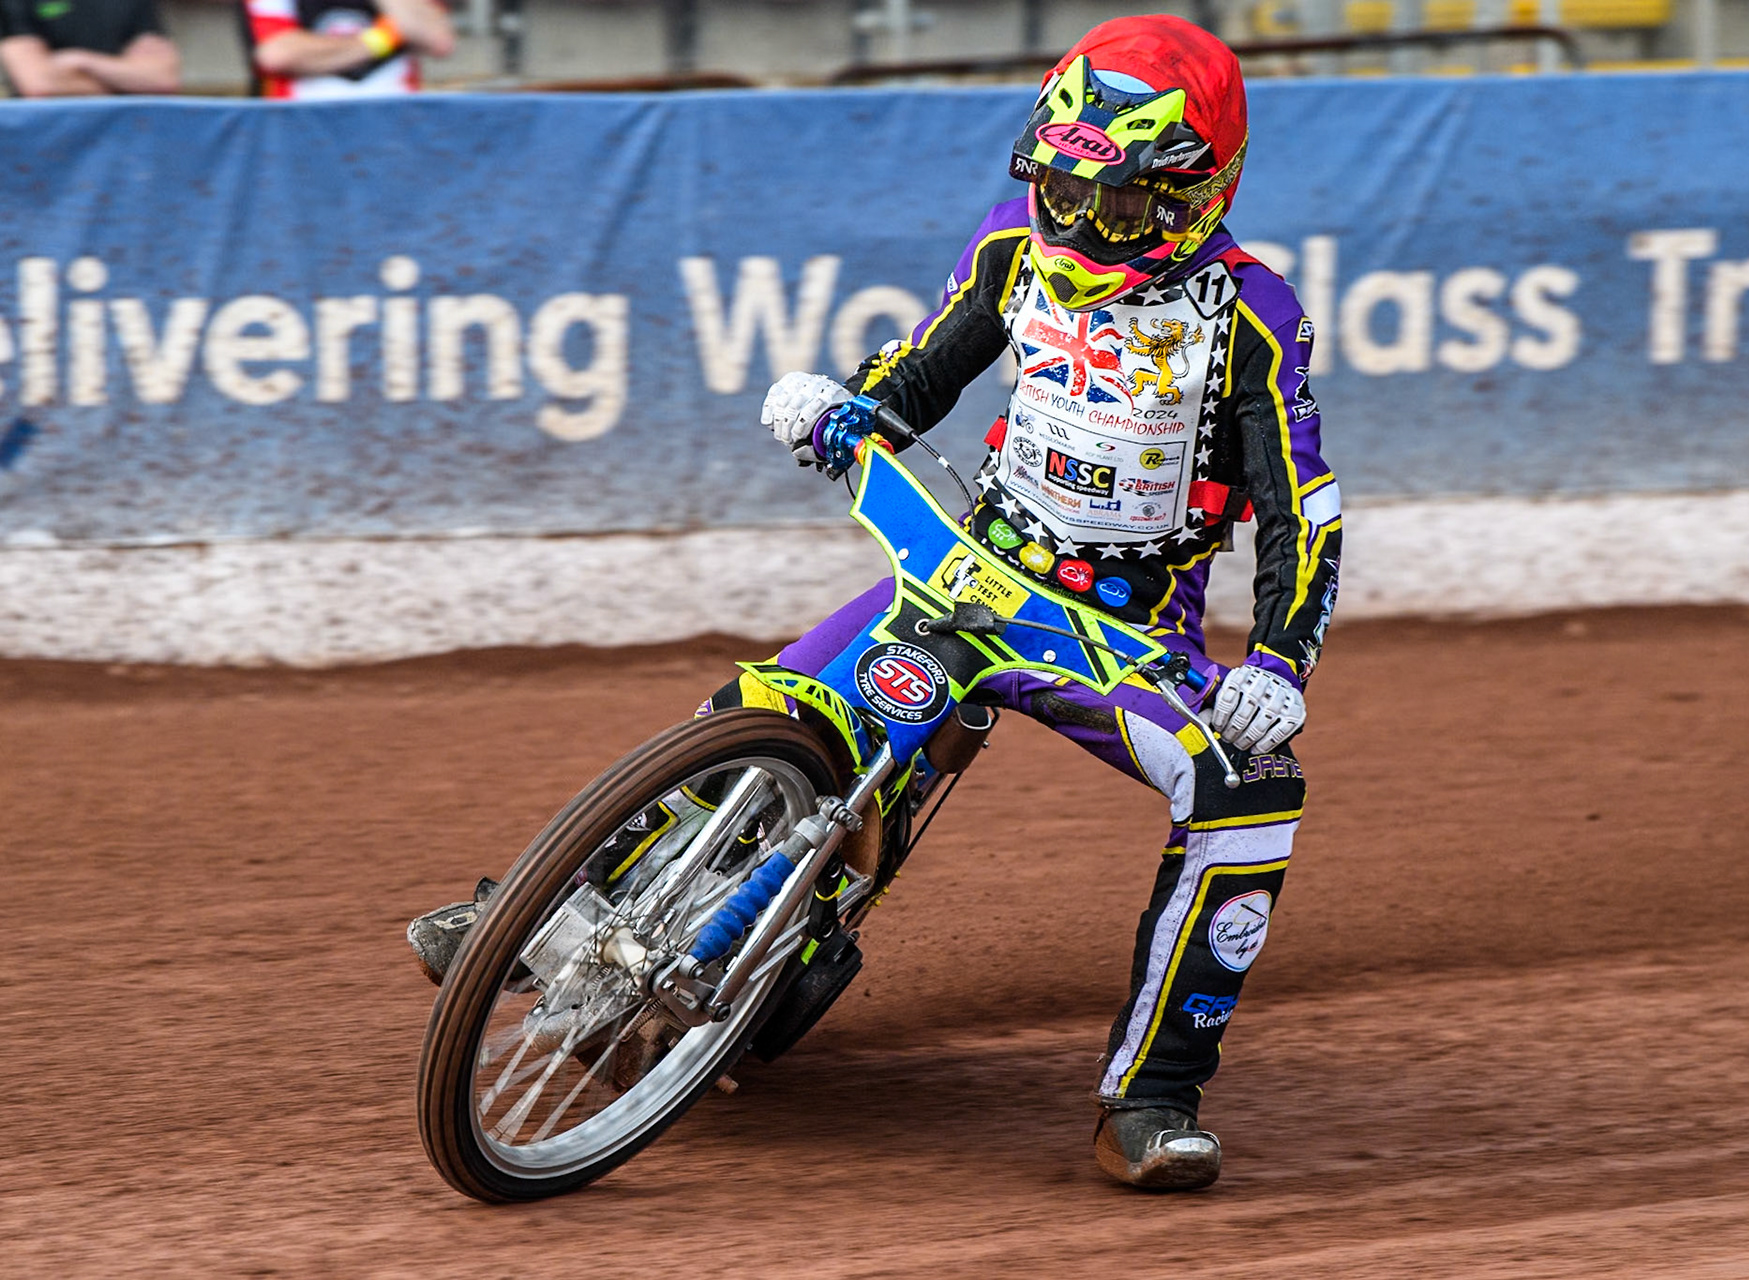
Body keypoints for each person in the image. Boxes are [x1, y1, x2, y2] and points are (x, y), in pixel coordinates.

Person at [409, 13, 1339, 1194]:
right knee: (762, 706)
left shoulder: (1257, 315)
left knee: (1251, 788)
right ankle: (535, 919)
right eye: (1061, 188)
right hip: (971, 556)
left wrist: (1279, 663)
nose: (1080, 225)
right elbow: (926, 371)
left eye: (1118, 205)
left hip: (1119, 627)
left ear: (1201, 190)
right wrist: (843, 406)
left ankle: (1152, 1095)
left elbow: (1303, 509)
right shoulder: (1015, 245)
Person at [239, 0, 453, 100]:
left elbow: (438, 39)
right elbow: (277, 54)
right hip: (298, 132)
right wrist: (381, 40)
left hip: (394, 131)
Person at [0, 0, 179, 97]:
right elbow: (37, 85)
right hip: (46, 134)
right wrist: (130, 81)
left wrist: (79, 61)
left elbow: (162, 78)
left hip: (122, 133)